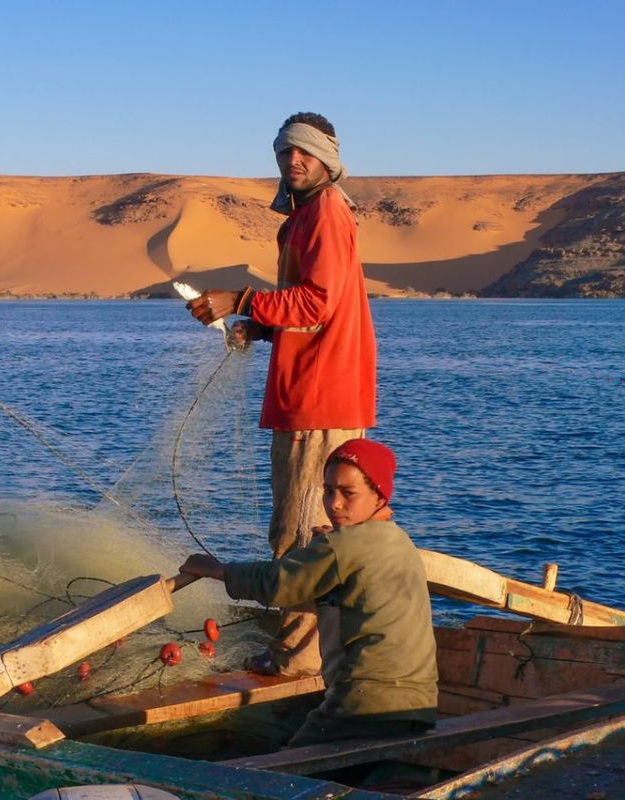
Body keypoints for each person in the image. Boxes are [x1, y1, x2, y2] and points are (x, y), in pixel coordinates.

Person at [186, 112, 377, 677]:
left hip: (319, 398)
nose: (292, 162)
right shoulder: (304, 218)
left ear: (327, 160)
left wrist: (241, 299)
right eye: (284, 153)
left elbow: (317, 303)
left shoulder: (324, 215)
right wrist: (262, 326)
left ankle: (296, 662)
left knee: (300, 534)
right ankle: (325, 651)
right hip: (319, 392)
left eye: (304, 153)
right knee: (326, 532)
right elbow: (310, 306)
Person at [178, 439, 437, 746]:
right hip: (420, 704)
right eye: (328, 491)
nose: (335, 503)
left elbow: (278, 584)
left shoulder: (340, 546)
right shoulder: (399, 541)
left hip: (364, 703)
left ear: (379, 496)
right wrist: (331, 547)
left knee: (282, 776)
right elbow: (351, 562)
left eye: (348, 493)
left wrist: (217, 570)